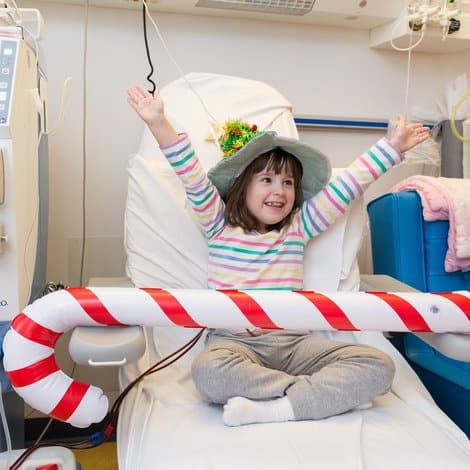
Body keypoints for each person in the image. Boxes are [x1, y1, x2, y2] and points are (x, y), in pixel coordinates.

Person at [127, 85, 430, 427]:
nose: (279, 191)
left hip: (294, 343)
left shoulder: (299, 227)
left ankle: (277, 408)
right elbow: (191, 175)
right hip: (234, 345)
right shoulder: (218, 224)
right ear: (242, 185)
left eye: (288, 183)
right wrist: (158, 123)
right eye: (267, 179)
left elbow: (347, 188)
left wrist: (392, 148)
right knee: (208, 374)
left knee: (379, 367)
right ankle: (316, 397)